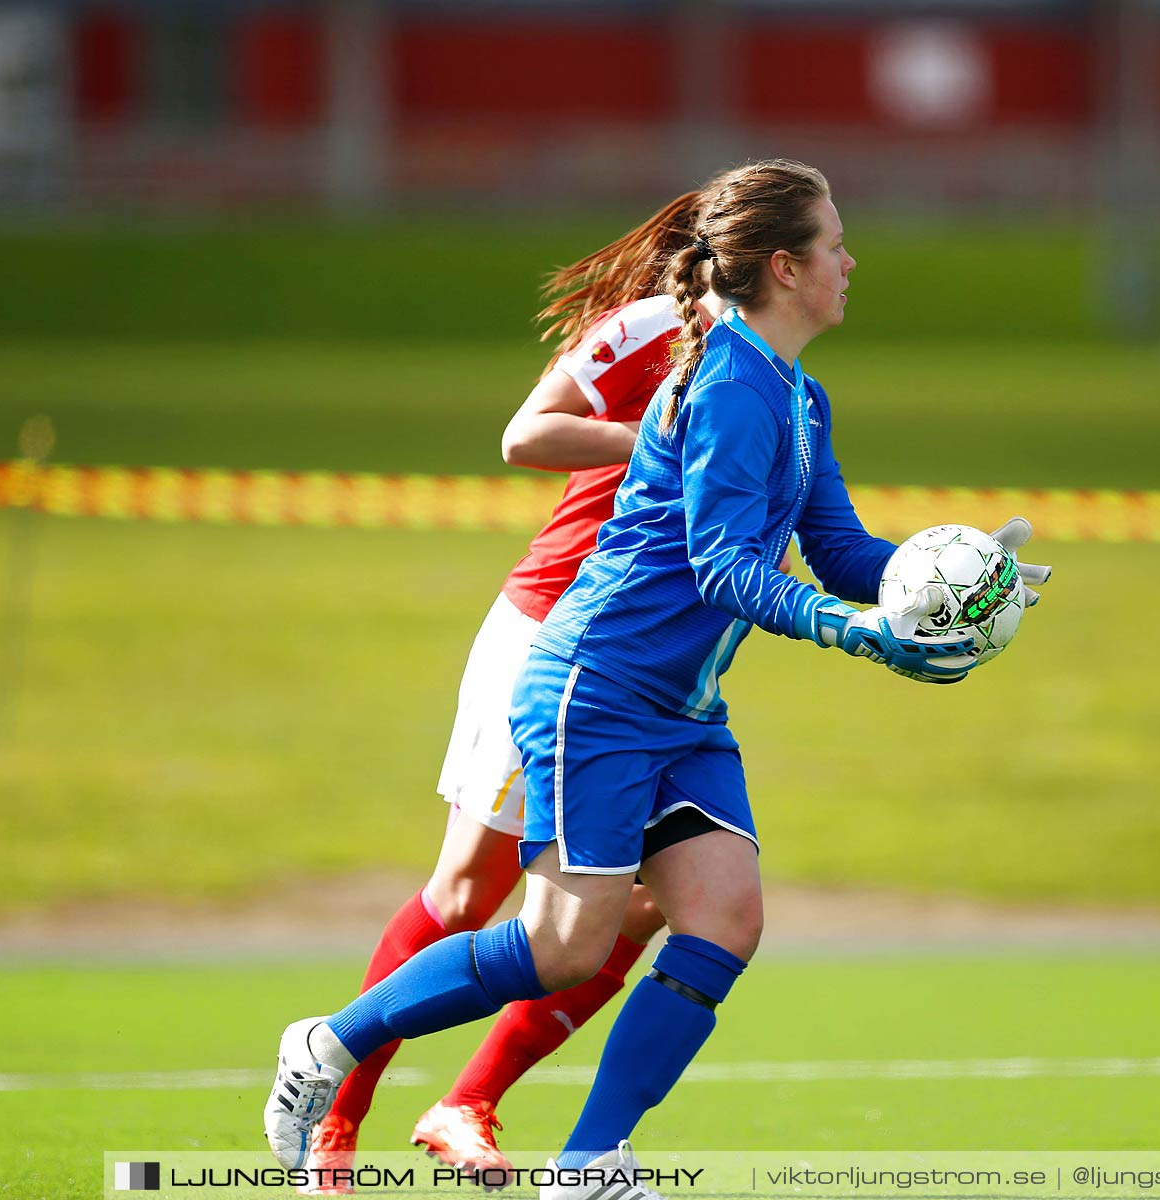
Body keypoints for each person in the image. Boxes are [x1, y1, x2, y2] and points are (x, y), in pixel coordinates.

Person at [263, 159, 1052, 1200]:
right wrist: (858, 637)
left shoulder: (799, 394)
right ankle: (328, 1045)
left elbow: (845, 550)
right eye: (834, 244)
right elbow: (726, 567)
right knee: (560, 946)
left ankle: (587, 1164)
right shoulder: (726, 381)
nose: (850, 261)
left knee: (725, 917)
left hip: (677, 711)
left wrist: (959, 579)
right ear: (784, 265)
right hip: (595, 691)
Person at [301, 191, 724, 1191]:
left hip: (646, 673)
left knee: (655, 902)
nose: (843, 261)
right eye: (824, 240)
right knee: (465, 894)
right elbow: (524, 435)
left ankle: (468, 1101)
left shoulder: (775, 367)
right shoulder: (658, 328)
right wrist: (657, 449)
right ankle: (334, 1110)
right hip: (549, 638)